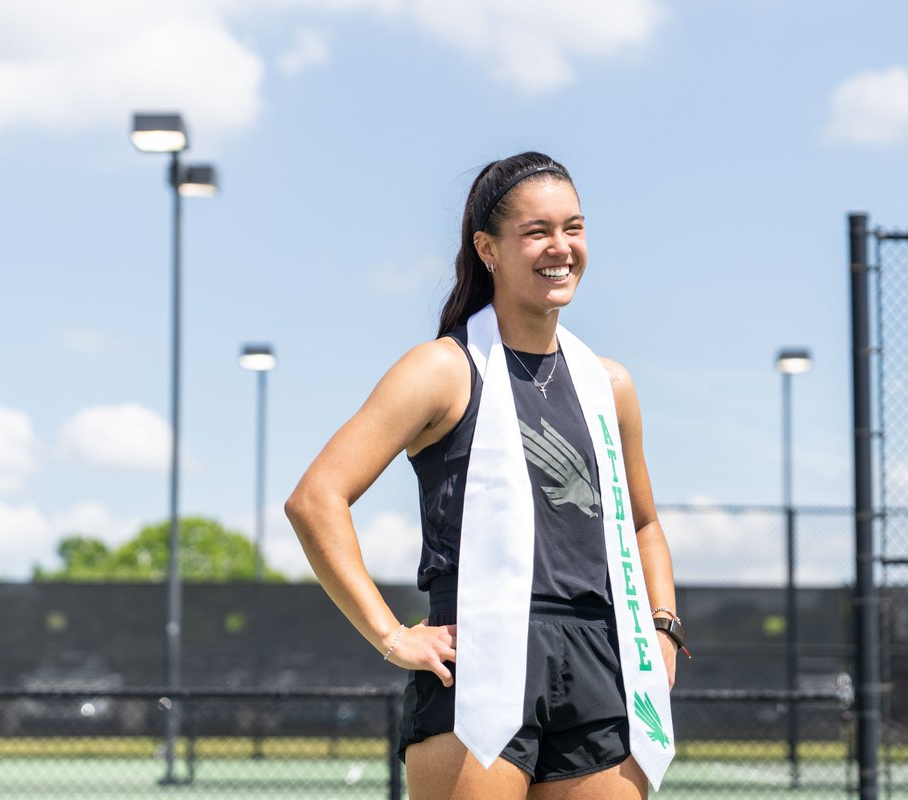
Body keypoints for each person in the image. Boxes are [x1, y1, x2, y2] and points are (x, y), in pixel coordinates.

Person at [286, 152, 684, 800]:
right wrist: (390, 635)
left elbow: (643, 522)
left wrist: (662, 628)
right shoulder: (442, 369)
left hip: (602, 659)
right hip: (481, 654)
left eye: (573, 228)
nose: (561, 248)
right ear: (488, 248)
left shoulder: (610, 384)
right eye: (537, 232)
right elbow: (315, 499)